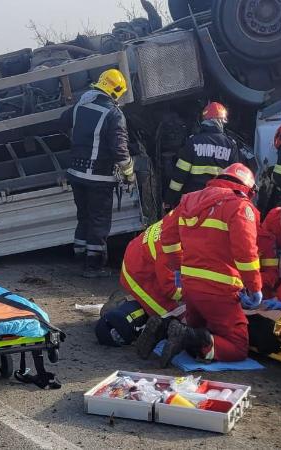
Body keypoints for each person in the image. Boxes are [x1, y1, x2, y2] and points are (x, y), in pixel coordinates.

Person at [156, 163, 262, 366]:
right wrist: (254, 287)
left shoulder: (189, 199)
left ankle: (168, 330)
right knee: (238, 346)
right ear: (249, 188)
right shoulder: (239, 205)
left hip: (190, 287)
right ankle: (188, 338)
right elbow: (246, 253)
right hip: (219, 290)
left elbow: (168, 237)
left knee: (200, 330)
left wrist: (177, 268)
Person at [59, 68, 135, 277]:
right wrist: (129, 174)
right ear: (117, 91)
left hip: (76, 174)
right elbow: (120, 150)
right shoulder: (113, 113)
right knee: (99, 221)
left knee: (83, 217)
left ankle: (80, 257)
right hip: (99, 177)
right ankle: (93, 266)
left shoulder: (80, 106)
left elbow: (61, 123)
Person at [95, 215, 182, 350]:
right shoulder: (171, 245)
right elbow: (170, 289)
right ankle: (148, 329)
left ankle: (126, 308)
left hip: (139, 263)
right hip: (141, 275)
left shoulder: (179, 217)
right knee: (177, 316)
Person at [164, 101, 241, 208]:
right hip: (219, 201)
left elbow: (179, 175)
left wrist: (170, 199)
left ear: (205, 121)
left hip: (194, 200)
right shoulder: (230, 145)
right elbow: (235, 177)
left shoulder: (193, 142)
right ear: (221, 121)